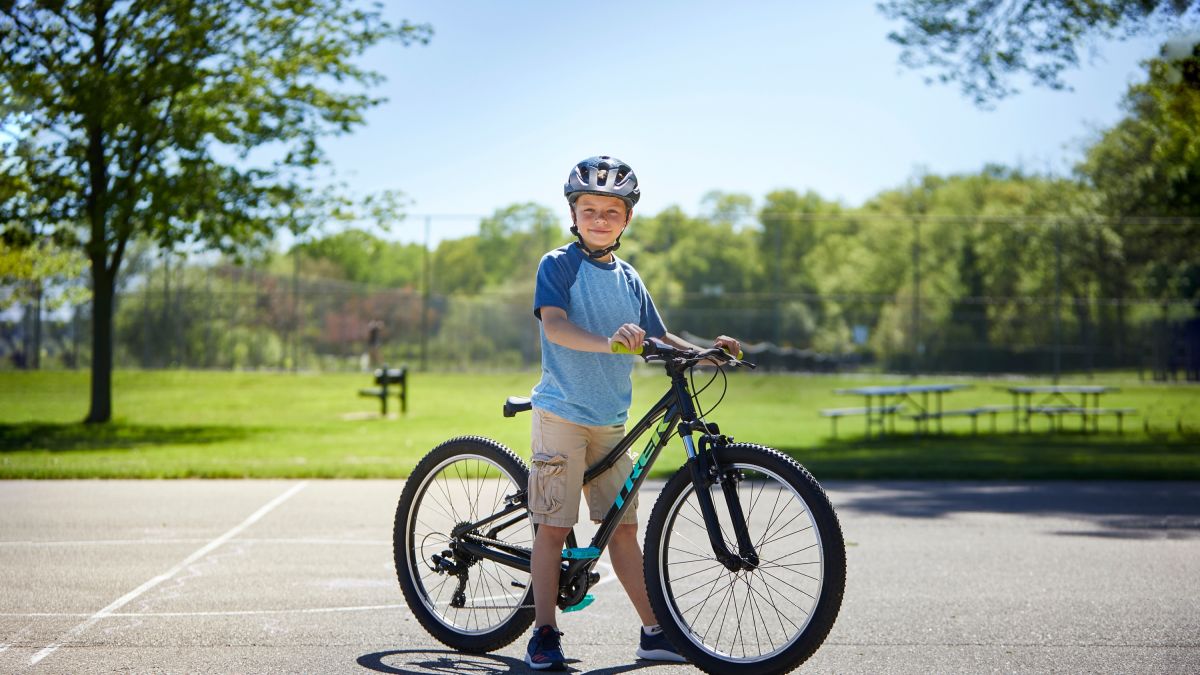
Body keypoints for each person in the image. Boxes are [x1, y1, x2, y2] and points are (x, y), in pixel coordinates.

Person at [525, 155, 741, 670]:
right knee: (554, 527)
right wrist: (610, 343)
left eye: (611, 211)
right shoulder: (557, 265)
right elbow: (554, 326)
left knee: (622, 528)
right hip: (562, 413)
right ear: (573, 213)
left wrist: (706, 353)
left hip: (611, 420)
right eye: (589, 209)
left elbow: (659, 335)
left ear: (627, 219)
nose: (600, 219)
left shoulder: (628, 277)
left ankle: (653, 632)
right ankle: (543, 633)